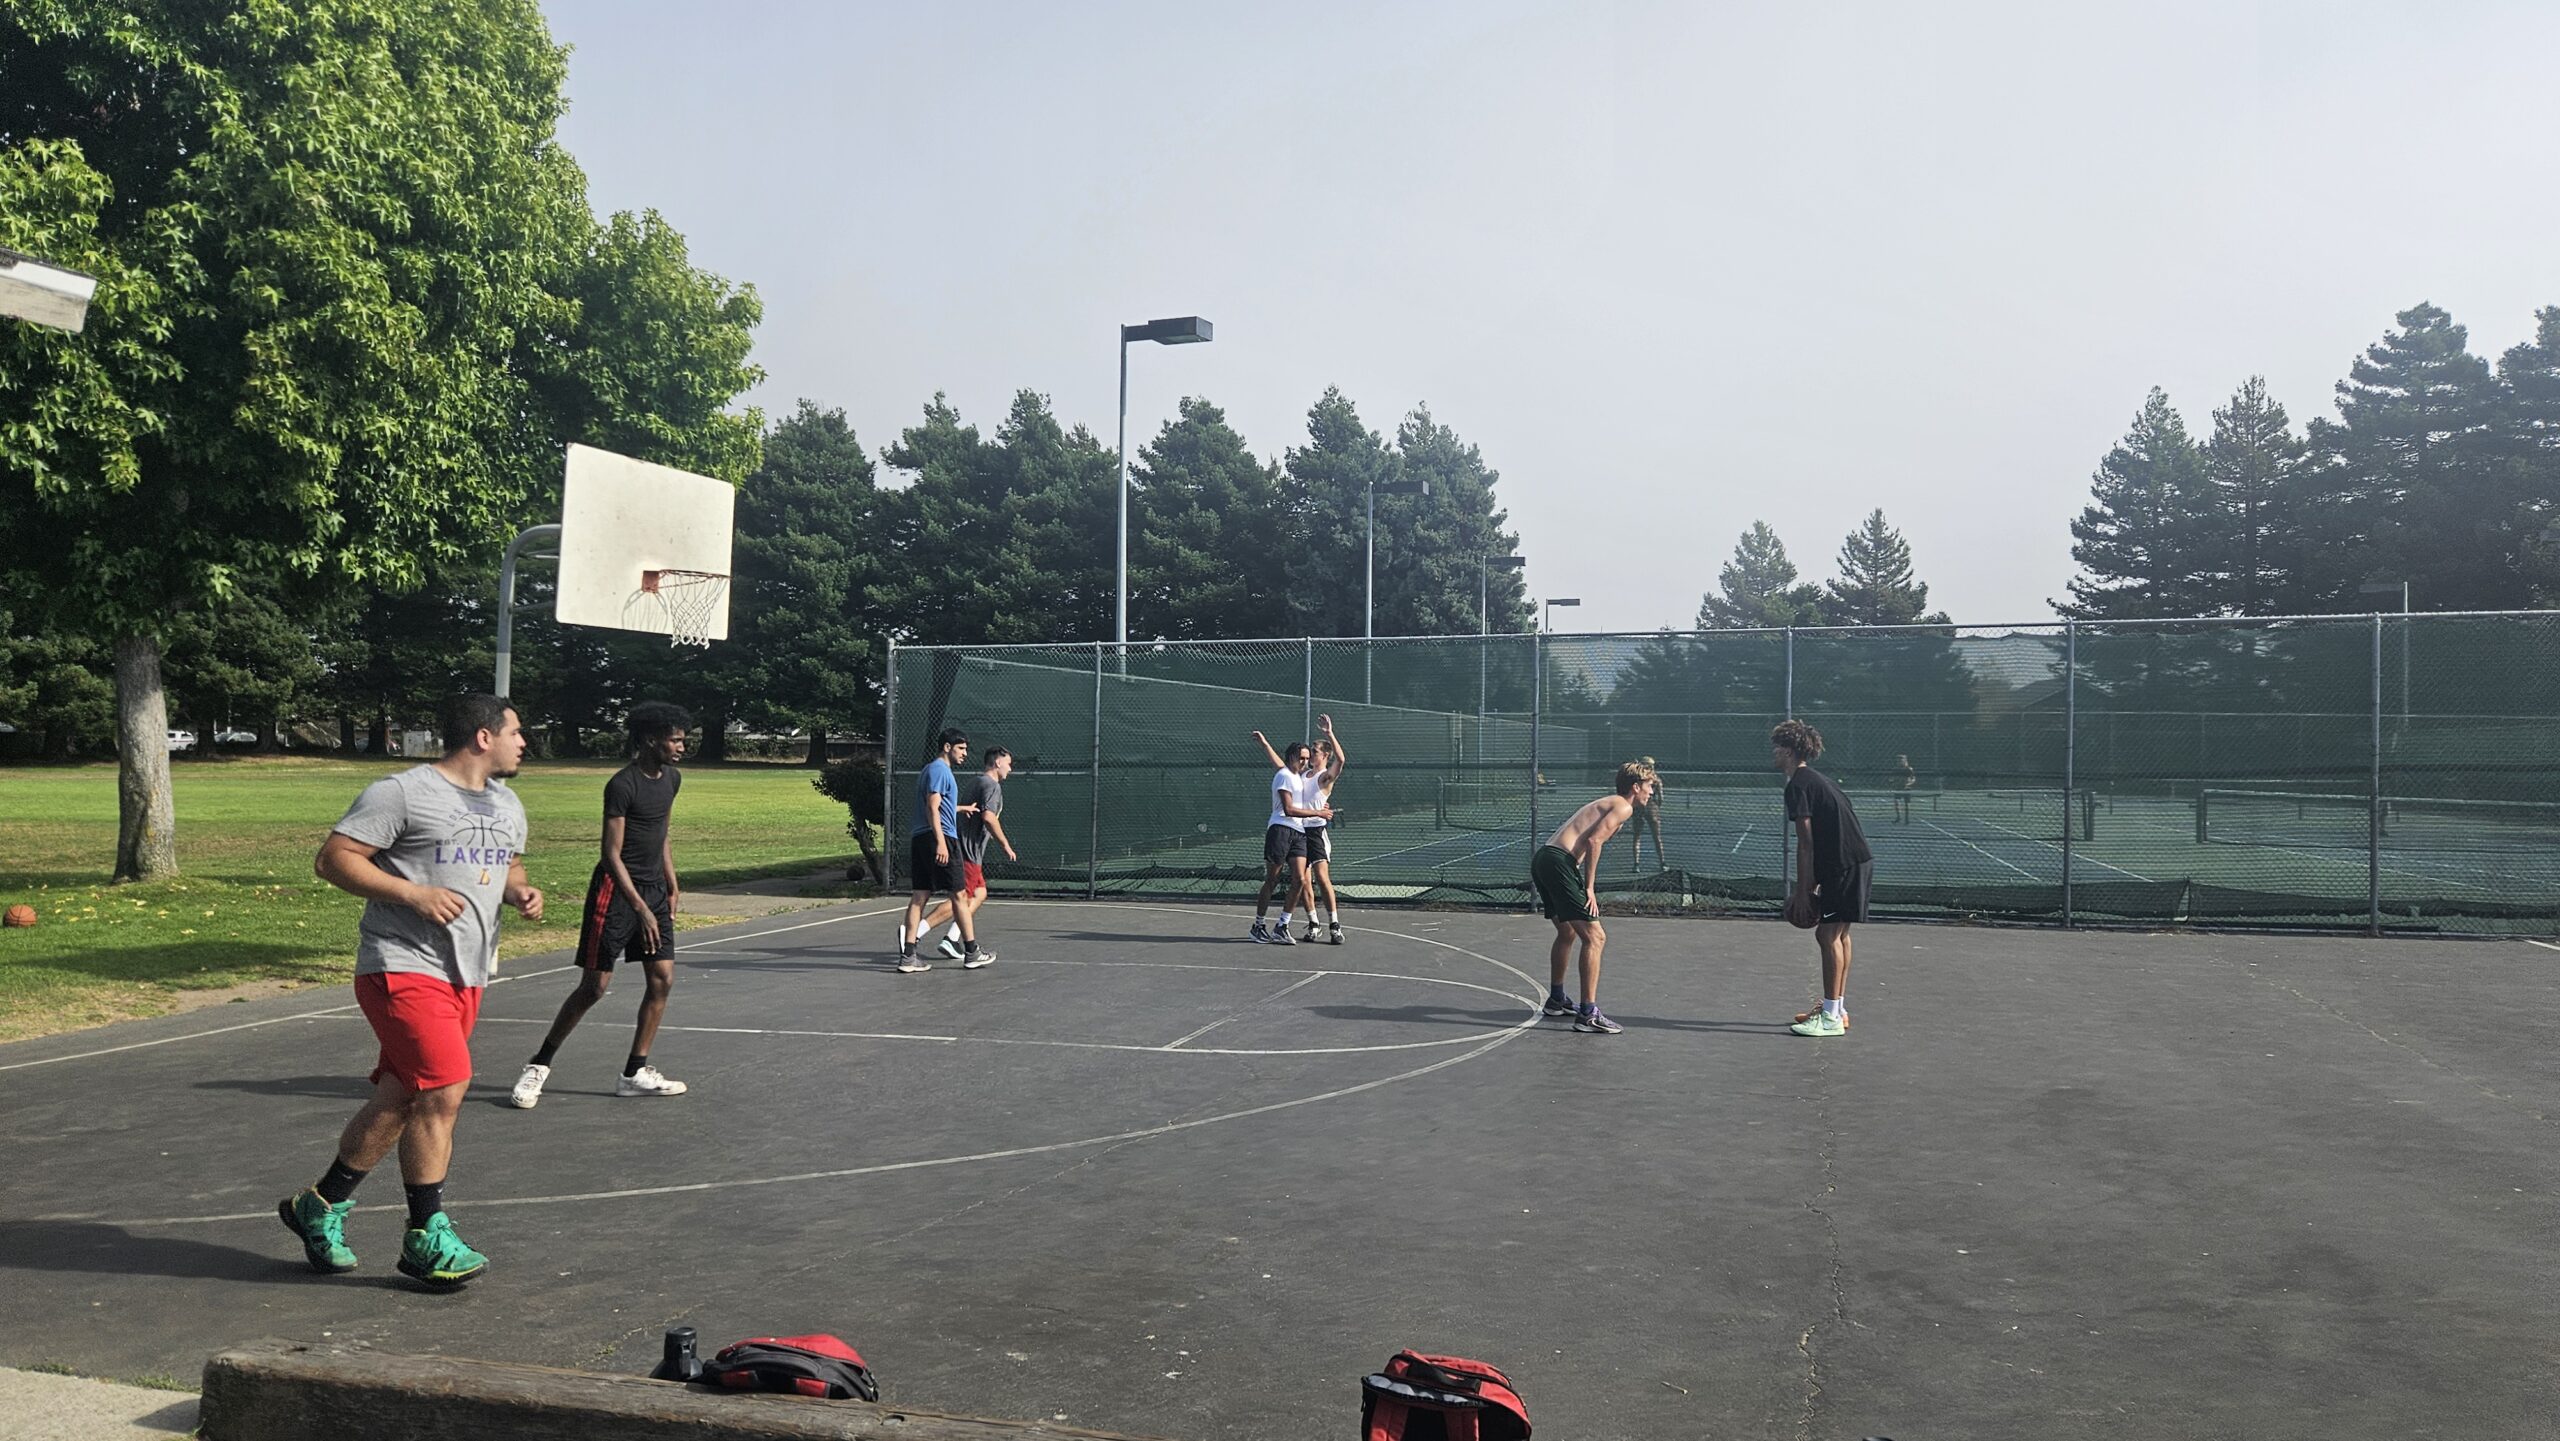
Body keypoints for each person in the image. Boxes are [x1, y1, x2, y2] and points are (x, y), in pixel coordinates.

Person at [277, 693, 541, 1288]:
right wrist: (411, 894)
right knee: (445, 1088)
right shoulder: (401, 792)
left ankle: (318, 1207)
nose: (523, 742)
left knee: (402, 1098)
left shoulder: (508, 802)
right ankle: (427, 1234)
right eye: (516, 732)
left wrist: (519, 891)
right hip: (400, 966)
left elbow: (507, 866)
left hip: (466, 973)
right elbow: (333, 860)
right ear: (483, 736)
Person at [509, 703, 693, 1110]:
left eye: (683, 738)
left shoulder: (672, 780)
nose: (682, 746)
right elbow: (611, 854)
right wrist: (640, 908)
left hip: (653, 890)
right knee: (594, 987)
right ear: (649, 739)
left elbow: (660, 833)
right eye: (675, 738)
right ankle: (538, 1065)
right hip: (616, 892)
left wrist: (671, 882)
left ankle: (634, 1073)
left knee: (662, 979)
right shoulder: (622, 784)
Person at [1527, 760, 1657, 1035]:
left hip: (1546, 859)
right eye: (1649, 787)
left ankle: (1557, 999)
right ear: (1635, 787)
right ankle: (1588, 1014)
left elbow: (1584, 841)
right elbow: (1593, 841)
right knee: (1595, 937)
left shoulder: (1610, 803)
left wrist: (1573, 875)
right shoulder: (1623, 806)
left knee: (1567, 933)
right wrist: (1588, 888)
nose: (1651, 792)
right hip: (1558, 862)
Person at [1775, 720, 1873, 1038]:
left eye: (1777, 747)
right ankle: (1838, 1010)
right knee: (1839, 935)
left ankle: (1830, 1018)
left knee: (1826, 936)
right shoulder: (1815, 780)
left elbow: (1806, 843)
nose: (1774, 753)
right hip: (1853, 862)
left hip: (1844, 865)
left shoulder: (1799, 784)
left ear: (1788, 751)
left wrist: (1804, 891)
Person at [919, 746, 1017, 964]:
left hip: (967, 851)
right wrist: (1005, 844)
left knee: (979, 893)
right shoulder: (992, 785)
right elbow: (989, 817)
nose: (1010, 769)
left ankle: (952, 938)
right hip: (968, 853)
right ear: (998, 762)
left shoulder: (976, 781)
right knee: (960, 899)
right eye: (1008, 764)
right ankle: (914, 933)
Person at [1255, 717, 1349, 944]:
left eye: (1315, 752)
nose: (1310, 756)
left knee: (1322, 878)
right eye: (1308, 754)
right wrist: (1266, 745)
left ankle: (1334, 925)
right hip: (1298, 830)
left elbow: (1342, 760)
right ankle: (1313, 923)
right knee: (1303, 880)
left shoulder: (1324, 777)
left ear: (1324, 755)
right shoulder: (1299, 775)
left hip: (1315, 831)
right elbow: (1282, 767)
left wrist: (1330, 734)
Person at [899, 728, 984, 971]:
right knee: (960, 895)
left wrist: (960, 808)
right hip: (940, 837)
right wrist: (941, 842)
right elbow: (932, 807)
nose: (965, 754)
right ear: (947, 747)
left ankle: (908, 957)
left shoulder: (931, 770)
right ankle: (972, 952)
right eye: (961, 748)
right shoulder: (939, 770)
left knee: (919, 896)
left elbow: (941, 805)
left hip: (921, 838)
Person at [1248, 732, 1328, 945]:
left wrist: (1266, 744)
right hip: (1280, 830)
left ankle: (1282, 926)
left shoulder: (1299, 777)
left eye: (1306, 758)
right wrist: (1317, 813)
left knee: (1300, 880)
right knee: (1272, 879)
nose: (1303, 761)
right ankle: (1258, 925)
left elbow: (1306, 799)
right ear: (1291, 757)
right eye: (1299, 758)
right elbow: (1289, 809)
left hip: (1299, 833)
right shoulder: (1284, 776)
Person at [1629, 754, 1665, 872]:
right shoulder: (1656, 780)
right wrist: (1655, 805)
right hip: (1652, 809)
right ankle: (1662, 863)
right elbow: (1661, 798)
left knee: (1637, 837)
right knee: (1657, 837)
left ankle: (1636, 864)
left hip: (1638, 808)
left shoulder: (1638, 779)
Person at [1893, 753, 1917, 825]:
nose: (1899, 761)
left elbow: (1913, 778)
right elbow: (1892, 778)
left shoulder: (1909, 769)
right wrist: (1893, 781)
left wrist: (1908, 784)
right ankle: (1898, 817)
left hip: (1907, 788)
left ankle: (1907, 819)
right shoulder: (1895, 769)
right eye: (1898, 760)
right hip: (1898, 788)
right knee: (1896, 802)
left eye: (1901, 760)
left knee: (1907, 804)